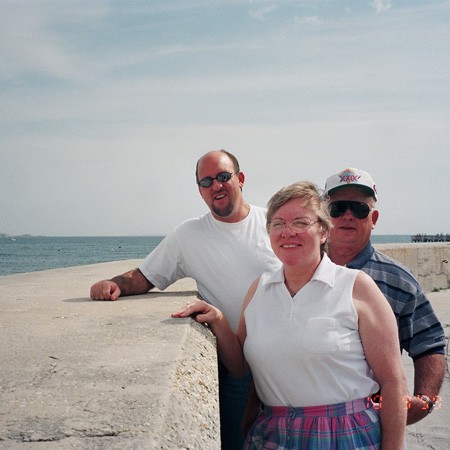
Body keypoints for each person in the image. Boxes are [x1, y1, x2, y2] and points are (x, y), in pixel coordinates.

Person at [173, 181, 407, 449]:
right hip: (273, 435)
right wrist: (217, 318)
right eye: (277, 224)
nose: (287, 232)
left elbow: (392, 382)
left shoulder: (356, 287)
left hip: (346, 435)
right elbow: (240, 366)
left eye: (299, 222)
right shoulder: (259, 289)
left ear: (322, 231)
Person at [90, 149, 281, 449]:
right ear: (200, 191)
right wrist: (112, 284)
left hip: (284, 362)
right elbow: (145, 275)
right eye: (206, 182)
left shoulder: (274, 225)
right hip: (237, 370)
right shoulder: (189, 235)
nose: (215, 186)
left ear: (240, 179)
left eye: (222, 176)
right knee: (235, 442)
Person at [324, 167, 446, 425]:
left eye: (358, 209)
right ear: (323, 215)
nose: (347, 216)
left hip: (371, 423)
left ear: (374, 218)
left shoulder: (399, 280)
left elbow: (430, 344)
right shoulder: (299, 271)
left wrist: (424, 402)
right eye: (338, 208)